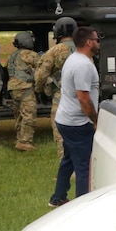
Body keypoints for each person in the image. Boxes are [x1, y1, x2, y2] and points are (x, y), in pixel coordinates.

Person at [48, 26, 100, 208]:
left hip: (65, 119)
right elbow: (84, 99)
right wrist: (96, 120)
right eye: (96, 39)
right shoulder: (83, 65)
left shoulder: (74, 59)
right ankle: (83, 207)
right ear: (88, 42)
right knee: (83, 166)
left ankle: (58, 198)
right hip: (77, 123)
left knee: (68, 160)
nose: (98, 42)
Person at [35, 17, 77, 161]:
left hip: (62, 98)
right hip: (83, 97)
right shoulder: (83, 49)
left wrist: (39, 90)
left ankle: (68, 170)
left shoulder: (54, 51)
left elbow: (41, 75)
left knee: (61, 134)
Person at [7, 31, 40, 151]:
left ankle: (19, 138)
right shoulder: (30, 54)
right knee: (29, 114)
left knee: (19, 114)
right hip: (24, 87)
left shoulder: (12, 56)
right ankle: (25, 142)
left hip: (13, 88)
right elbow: (42, 66)